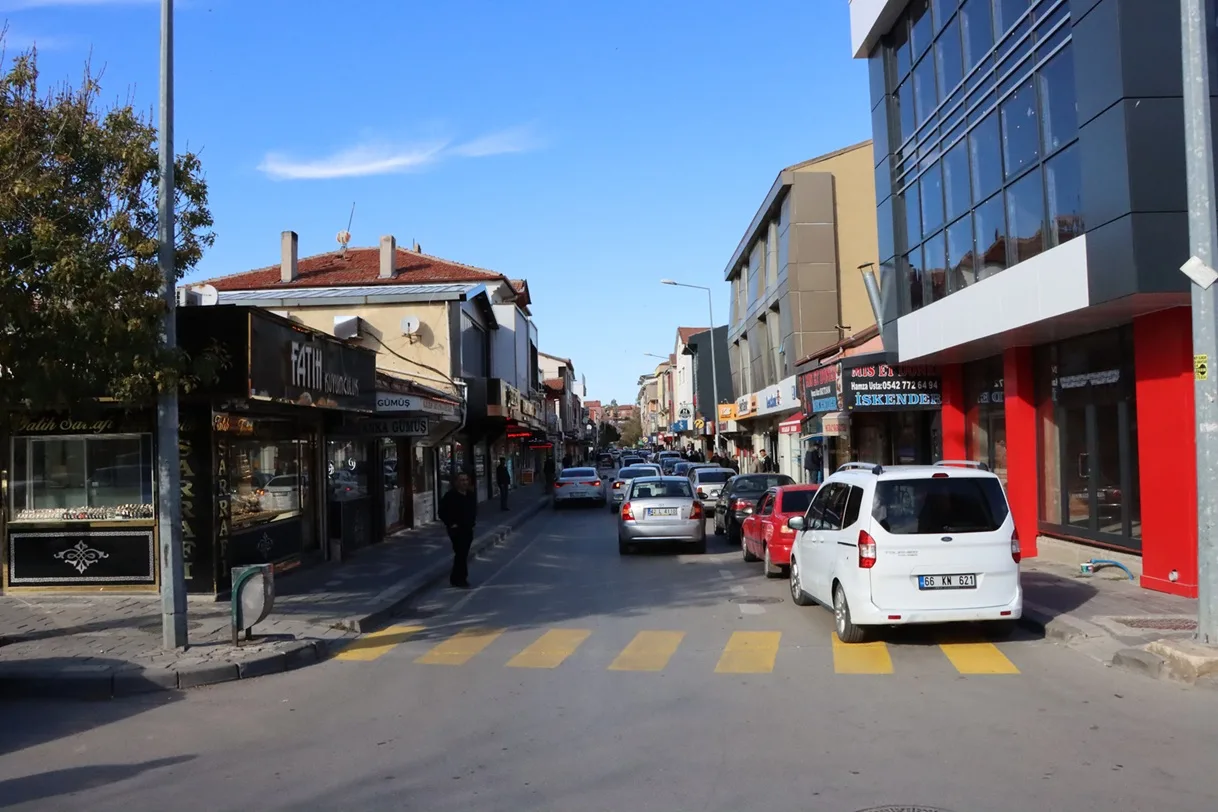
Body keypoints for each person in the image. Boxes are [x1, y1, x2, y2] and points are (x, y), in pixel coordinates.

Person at [439, 472, 478, 588]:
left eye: (466, 480)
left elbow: (473, 510)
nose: (464, 482)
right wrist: (451, 523)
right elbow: (441, 512)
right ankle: (461, 578)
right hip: (456, 530)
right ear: (456, 482)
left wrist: (472, 522)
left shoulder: (470, 495)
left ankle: (455, 578)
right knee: (461, 553)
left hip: (468, 529)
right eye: (461, 480)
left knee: (463, 554)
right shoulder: (450, 496)